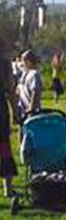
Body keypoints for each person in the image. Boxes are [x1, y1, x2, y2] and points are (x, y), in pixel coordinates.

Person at [0, 37, 18, 198]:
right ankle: (8, 187)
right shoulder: (5, 64)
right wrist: (16, 113)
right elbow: (10, 89)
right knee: (4, 148)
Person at [16, 49, 43, 117]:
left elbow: (35, 91)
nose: (22, 63)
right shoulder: (24, 73)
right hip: (22, 108)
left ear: (28, 61)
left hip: (31, 110)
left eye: (23, 61)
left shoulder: (34, 74)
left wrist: (31, 107)